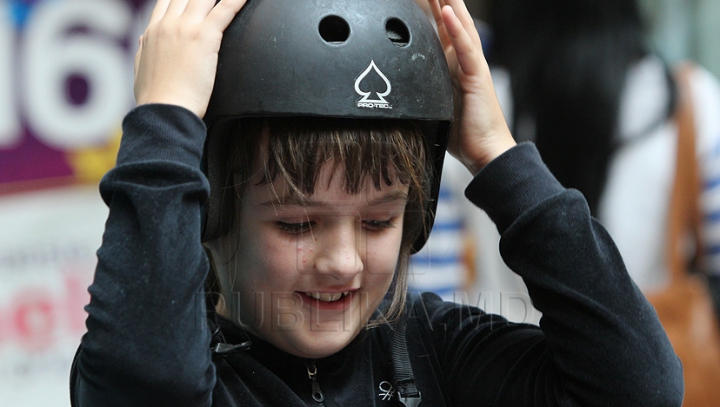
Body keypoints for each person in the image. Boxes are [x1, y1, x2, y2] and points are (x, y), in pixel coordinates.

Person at [69, 0, 683, 406]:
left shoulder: (431, 349)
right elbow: (152, 384)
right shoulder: (178, 367)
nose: (343, 262)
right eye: (298, 223)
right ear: (210, 214)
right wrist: (167, 120)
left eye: (379, 221)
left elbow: (640, 386)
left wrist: (499, 155)